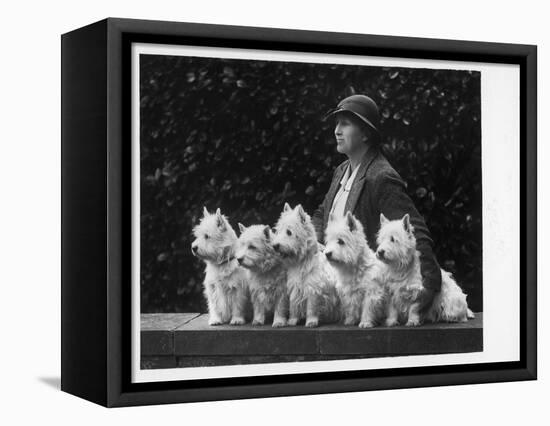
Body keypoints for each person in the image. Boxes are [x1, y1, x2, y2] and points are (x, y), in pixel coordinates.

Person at [311, 94, 441, 307]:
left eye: (345, 124)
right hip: (335, 286)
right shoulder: (341, 171)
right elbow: (322, 212)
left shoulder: (381, 176)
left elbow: (414, 230)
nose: (336, 131)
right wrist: (309, 239)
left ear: (365, 133)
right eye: (336, 124)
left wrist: (430, 286)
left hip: (367, 296)